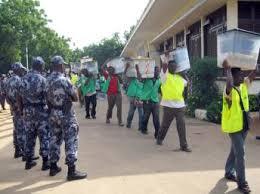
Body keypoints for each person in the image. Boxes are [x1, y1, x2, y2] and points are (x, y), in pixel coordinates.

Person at [46, 56, 87, 181]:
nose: (64, 67)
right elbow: (75, 97)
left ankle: (53, 166)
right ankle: (71, 171)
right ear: (59, 65)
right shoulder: (64, 80)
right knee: (71, 140)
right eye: (63, 65)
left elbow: (46, 99)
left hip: (53, 113)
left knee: (54, 139)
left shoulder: (46, 80)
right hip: (66, 114)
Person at [222, 60, 256, 194]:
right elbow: (229, 83)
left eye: (243, 75)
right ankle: (242, 183)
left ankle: (228, 172)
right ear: (233, 76)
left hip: (244, 125)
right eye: (240, 75)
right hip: (234, 126)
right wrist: (228, 70)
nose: (243, 77)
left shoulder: (243, 86)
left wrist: (255, 65)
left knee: (234, 150)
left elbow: (253, 75)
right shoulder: (228, 91)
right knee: (240, 152)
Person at [17, 57, 50, 170]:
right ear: (40, 66)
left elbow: (19, 97)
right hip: (40, 111)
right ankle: (45, 162)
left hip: (27, 111)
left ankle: (29, 161)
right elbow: (47, 96)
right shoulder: (42, 79)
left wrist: (21, 111)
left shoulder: (23, 79)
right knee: (44, 136)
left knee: (29, 136)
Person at [156, 60, 192, 152]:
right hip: (168, 106)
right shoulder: (165, 76)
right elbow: (164, 67)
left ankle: (184, 145)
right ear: (168, 67)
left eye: (175, 66)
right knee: (165, 125)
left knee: (181, 126)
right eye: (171, 66)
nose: (173, 67)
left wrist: (182, 72)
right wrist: (165, 59)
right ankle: (159, 138)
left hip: (180, 106)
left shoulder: (179, 78)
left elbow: (187, 83)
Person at [5, 62, 28, 159]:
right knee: (22, 130)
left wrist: (12, 105)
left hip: (13, 108)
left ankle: (17, 150)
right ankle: (24, 153)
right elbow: (22, 96)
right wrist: (21, 108)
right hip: (20, 108)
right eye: (21, 69)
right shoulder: (20, 81)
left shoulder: (7, 81)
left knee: (16, 129)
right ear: (17, 69)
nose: (22, 70)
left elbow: (5, 96)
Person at [140, 66, 161, 138]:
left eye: (158, 71)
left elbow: (160, 89)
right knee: (146, 116)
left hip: (155, 101)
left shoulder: (159, 80)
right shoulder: (146, 78)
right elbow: (140, 78)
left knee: (156, 118)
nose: (157, 72)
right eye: (156, 71)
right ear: (153, 71)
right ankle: (143, 128)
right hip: (147, 100)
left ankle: (157, 134)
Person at [124, 63, 143, 130]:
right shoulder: (132, 80)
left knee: (140, 113)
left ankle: (140, 126)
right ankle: (129, 123)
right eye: (138, 74)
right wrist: (126, 68)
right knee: (131, 112)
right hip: (132, 97)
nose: (139, 76)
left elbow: (140, 76)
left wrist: (137, 69)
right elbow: (125, 76)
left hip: (139, 98)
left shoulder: (142, 81)